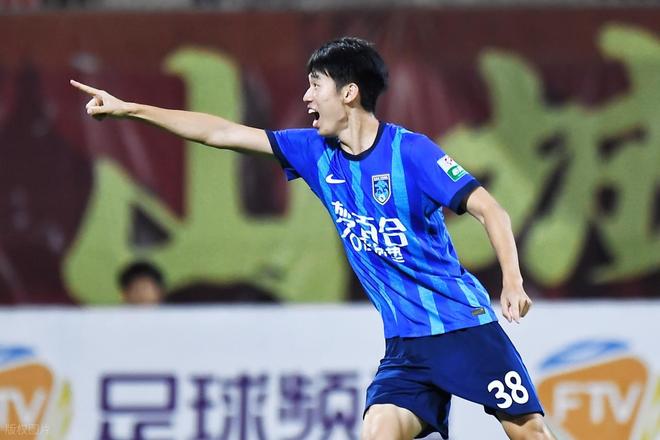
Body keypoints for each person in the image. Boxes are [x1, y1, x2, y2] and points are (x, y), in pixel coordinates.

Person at [71, 37, 554, 439]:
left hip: (462, 327)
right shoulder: (315, 152)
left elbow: (491, 209)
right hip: (406, 345)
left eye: (315, 85)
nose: (306, 97)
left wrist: (511, 282)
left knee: (528, 432)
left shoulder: (412, 153)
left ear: (349, 93)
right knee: (378, 431)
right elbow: (220, 133)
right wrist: (130, 110)